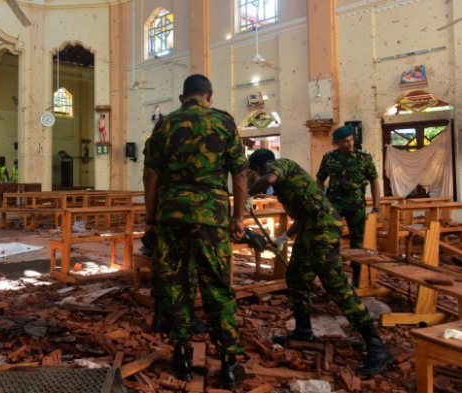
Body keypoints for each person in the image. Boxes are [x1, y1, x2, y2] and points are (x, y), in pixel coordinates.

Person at [143, 74, 248, 390]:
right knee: (216, 286)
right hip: (212, 215)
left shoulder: (164, 125)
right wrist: (238, 217)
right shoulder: (224, 122)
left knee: (176, 285)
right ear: (209, 96)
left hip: (171, 214)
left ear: (182, 98)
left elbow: (151, 176)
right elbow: (240, 174)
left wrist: (151, 221)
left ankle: (182, 357)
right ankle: (229, 364)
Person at [246, 148, 392, 376]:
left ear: (258, 168)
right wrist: (284, 237)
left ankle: (376, 345)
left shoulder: (281, 165)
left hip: (323, 227)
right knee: (296, 277)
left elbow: (268, 178)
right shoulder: (286, 184)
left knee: (335, 284)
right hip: (311, 227)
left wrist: (248, 194)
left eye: (255, 173)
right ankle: (303, 331)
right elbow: (304, 215)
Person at [316, 125, 380, 287]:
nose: (350, 144)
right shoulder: (329, 158)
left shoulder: (364, 157)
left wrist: (376, 207)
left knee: (357, 242)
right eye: (345, 141)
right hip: (334, 204)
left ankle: (358, 278)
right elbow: (319, 179)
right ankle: (334, 278)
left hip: (356, 204)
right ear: (336, 142)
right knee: (331, 240)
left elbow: (374, 181)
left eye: (351, 140)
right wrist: (321, 201)